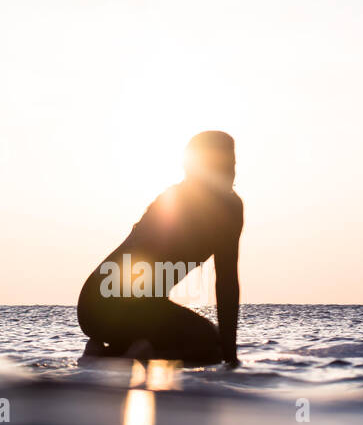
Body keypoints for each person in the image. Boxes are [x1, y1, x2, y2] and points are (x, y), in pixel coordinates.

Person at [77, 131, 243, 366]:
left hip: (124, 306)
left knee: (212, 345)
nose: (229, 172)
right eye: (220, 165)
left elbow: (227, 282)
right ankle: (125, 352)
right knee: (210, 346)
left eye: (232, 164)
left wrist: (230, 354)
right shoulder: (176, 202)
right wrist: (228, 357)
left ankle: (109, 354)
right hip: (102, 303)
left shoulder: (230, 208)